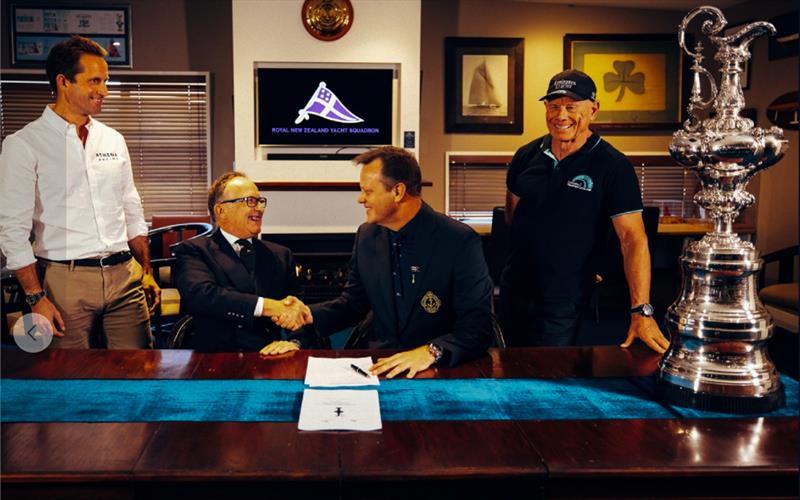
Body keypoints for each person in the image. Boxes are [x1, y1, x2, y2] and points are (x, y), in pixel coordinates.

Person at [261, 146, 494, 378]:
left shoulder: (459, 240)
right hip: (377, 367)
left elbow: (477, 327)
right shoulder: (367, 235)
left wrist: (430, 352)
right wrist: (307, 313)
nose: (360, 199)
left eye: (368, 191)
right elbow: (353, 304)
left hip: (437, 370)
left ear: (398, 191)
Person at [0, 35, 159, 349]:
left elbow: (131, 209)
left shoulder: (113, 139)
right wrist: (36, 298)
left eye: (106, 81)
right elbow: (12, 230)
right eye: (95, 81)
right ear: (63, 82)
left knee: (139, 372)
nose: (104, 91)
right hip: (63, 281)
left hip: (124, 276)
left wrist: (147, 272)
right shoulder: (23, 144)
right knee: (67, 380)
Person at [498, 69, 669, 354]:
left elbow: (633, 240)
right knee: (506, 370)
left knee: (551, 378)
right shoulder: (526, 155)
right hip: (515, 290)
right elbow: (512, 214)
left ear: (593, 109)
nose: (560, 115)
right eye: (554, 106)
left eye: (571, 106)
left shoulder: (612, 165)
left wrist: (642, 310)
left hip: (565, 298)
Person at [174, 172, 314, 352]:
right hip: (213, 359)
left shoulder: (280, 254)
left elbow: (297, 308)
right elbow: (204, 296)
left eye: (260, 201)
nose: (259, 208)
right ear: (221, 211)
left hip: (268, 356)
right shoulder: (194, 250)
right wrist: (268, 307)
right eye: (250, 201)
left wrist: (294, 343)